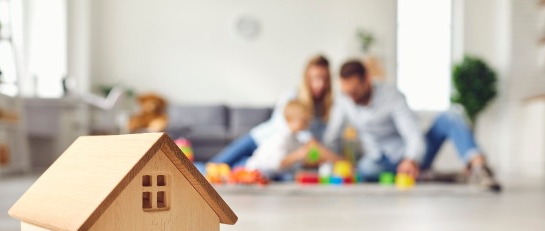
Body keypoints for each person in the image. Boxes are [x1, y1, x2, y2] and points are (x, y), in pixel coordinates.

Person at [324, 60, 501, 191]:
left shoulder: (392, 96)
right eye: (347, 93)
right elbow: (332, 136)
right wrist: (329, 162)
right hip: (379, 160)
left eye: (355, 91)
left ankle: (479, 168)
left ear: (367, 80)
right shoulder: (344, 101)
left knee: (451, 116)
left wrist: (411, 159)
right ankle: (427, 176)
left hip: (411, 155)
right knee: (366, 169)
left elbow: (412, 133)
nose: (352, 98)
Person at [210, 55, 333, 167]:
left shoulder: (324, 108)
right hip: (258, 139)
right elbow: (288, 126)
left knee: (235, 171)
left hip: (272, 155)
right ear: (307, 78)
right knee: (214, 166)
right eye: (316, 78)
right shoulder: (291, 96)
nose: (320, 84)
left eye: (324, 79)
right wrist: (310, 141)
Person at [246, 100, 341, 180]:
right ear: (290, 120)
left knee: (294, 175)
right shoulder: (281, 137)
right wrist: (299, 155)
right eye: (304, 120)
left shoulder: (295, 138)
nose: (307, 123)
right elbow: (278, 163)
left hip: (272, 175)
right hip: (255, 172)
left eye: (307, 120)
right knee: (290, 178)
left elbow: (301, 159)